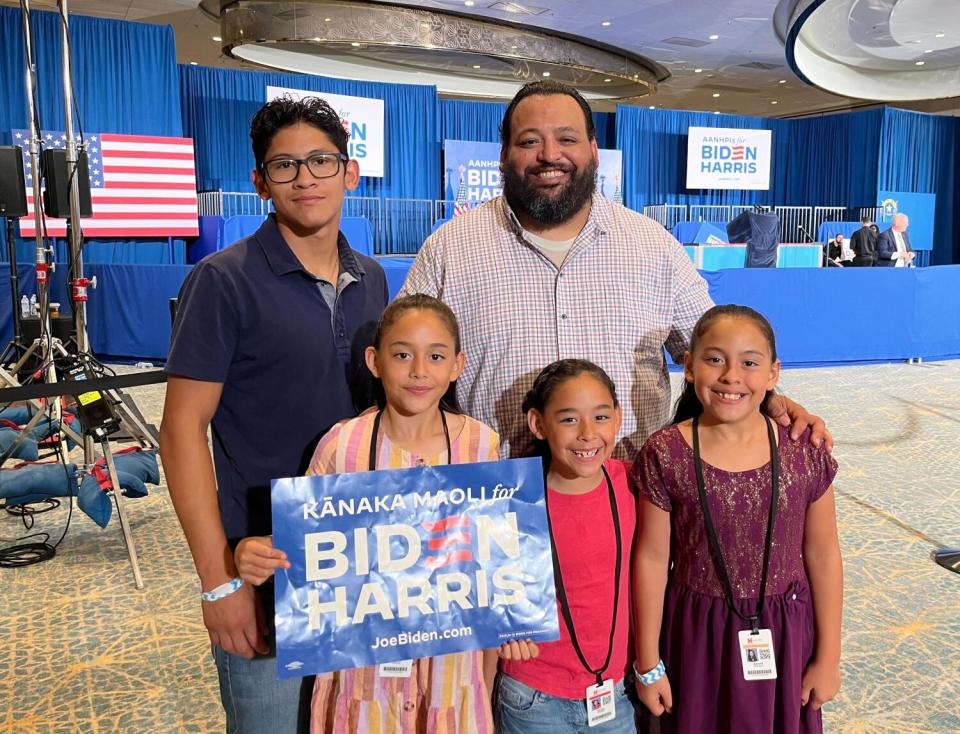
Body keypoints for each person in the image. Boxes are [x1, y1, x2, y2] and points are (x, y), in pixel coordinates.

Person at [400, 80, 829, 459]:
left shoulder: (653, 246)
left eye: (566, 139)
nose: (550, 155)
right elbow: (406, 364)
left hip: (629, 499)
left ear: (592, 150)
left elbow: (715, 352)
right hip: (500, 500)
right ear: (504, 155)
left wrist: (772, 401)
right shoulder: (450, 248)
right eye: (530, 141)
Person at [160, 96, 388, 733]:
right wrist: (218, 582)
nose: (305, 178)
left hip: (354, 563)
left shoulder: (371, 279)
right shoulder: (222, 280)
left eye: (321, 160)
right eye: (284, 166)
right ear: (260, 182)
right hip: (261, 566)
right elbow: (180, 432)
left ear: (350, 172)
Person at [234, 294, 501, 733]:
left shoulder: (482, 447)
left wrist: (493, 668)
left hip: (452, 679)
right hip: (363, 684)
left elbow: (492, 569)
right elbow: (305, 551)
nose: (419, 370)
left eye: (436, 356)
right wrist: (256, 552)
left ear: (457, 365)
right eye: (402, 355)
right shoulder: (343, 447)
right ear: (375, 361)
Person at [632, 305, 843, 734]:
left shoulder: (804, 451)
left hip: (786, 635)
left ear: (773, 373)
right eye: (714, 359)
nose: (731, 376)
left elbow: (822, 554)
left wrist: (828, 657)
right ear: (689, 367)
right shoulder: (665, 453)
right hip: (695, 636)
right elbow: (652, 559)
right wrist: (648, 661)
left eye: (749, 362)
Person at [495, 359, 638, 733]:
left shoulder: (633, 483)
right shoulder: (510, 500)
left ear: (619, 418)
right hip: (533, 696)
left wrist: (776, 404)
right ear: (538, 424)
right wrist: (502, 629)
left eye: (601, 417)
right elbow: (477, 583)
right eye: (569, 419)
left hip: (614, 693)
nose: (588, 433)